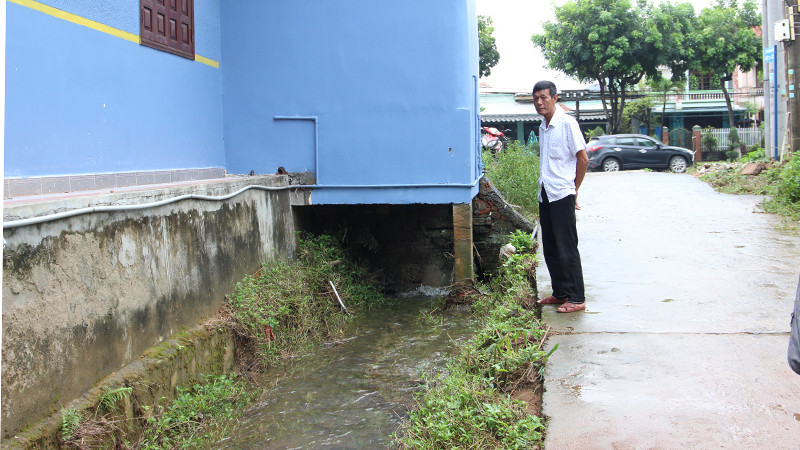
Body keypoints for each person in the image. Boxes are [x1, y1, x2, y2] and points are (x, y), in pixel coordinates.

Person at [532, 81, 589, 313]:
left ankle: (576, 298)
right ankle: (560, 292)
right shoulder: (542, 126)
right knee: (551, 247)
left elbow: (583, 159)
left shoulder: (567, 123)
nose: (539, 102)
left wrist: (574, 190)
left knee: (566, 246)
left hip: (562, 192)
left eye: (544, 97)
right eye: (535, 98)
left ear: (555, 98)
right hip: (545, 192)